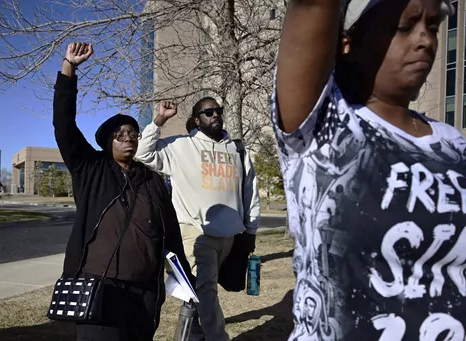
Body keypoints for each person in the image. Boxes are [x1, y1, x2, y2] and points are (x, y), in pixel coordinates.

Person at [273, 0, 465, 340]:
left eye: (432, 27)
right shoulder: (325, 127)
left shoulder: (454, 145)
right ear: (347, 41)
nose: (425, 40)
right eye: (403, 27)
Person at [53, 42, 193, 341]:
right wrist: (69, 69)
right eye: (119, 135)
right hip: (100, 288)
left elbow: (170, 233)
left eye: (133, 133)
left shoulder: (153, 180)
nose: (128, 139)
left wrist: (184, 277)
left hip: (144, 293)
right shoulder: (90, 169)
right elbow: (63, 124)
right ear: (107, 143)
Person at [135, 98, 261, 341]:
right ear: (196, 120)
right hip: (195, 232)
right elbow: (143, 153)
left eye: (218, 111)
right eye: (208, 112)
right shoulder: (180, 146)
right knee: (206, 290)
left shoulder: (237, 149)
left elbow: (250, 192)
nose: (215, 115)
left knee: (198, 293)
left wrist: (251, 232)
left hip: (230, 235)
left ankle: (190, 335)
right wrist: (159, 120)